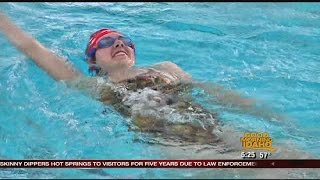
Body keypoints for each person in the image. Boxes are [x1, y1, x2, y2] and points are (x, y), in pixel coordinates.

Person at [0, 12, 283, 145]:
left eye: (125, 40)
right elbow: (32, 48)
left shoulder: (166, 68)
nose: (119, 43)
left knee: (285, 157)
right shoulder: (95, 85)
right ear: (93, 61)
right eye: (107, 42)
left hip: (216, 126)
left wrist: (267, 115)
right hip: (172, 143)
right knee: (250, 171)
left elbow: (216, 94)